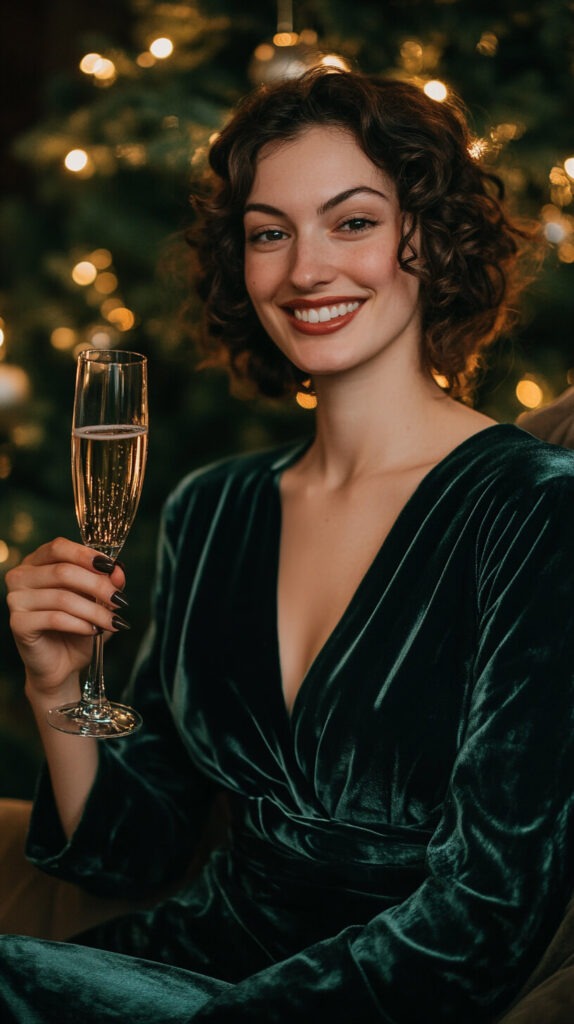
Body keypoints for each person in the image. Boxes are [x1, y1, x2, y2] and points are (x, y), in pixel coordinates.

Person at [2, 66, 574, 1024]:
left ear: (426, 237)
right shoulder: (210, 507)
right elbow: (134, 848)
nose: (306, 269)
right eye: (270, 232)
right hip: (178, 965)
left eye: (351, 222)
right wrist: (60, 689)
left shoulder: (534, 509)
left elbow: (486, 915)